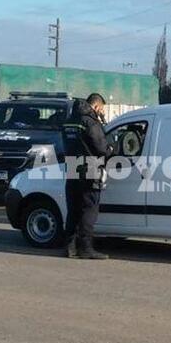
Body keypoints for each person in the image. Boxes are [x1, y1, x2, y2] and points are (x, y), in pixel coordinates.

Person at [64, 93, 113, 259]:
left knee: (73, 209)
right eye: (102, 109)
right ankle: (86, 248)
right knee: (89, 209)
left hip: (72, 167)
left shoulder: (70, 121)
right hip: (90, 169)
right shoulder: (90, 122)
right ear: (97, 106)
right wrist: (111, 149)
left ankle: (70, 247)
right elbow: (101, 148)